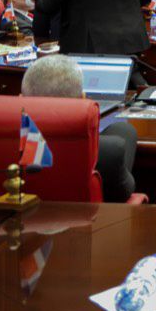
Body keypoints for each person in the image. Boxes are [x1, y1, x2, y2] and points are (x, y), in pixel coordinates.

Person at [21, 55, 138, 203]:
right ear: (83, 99)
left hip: (16, 217)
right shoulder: (107, 152)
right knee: (124, 129)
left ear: (20, 98)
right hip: (90, 218)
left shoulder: (1, 149)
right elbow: (123, 192)